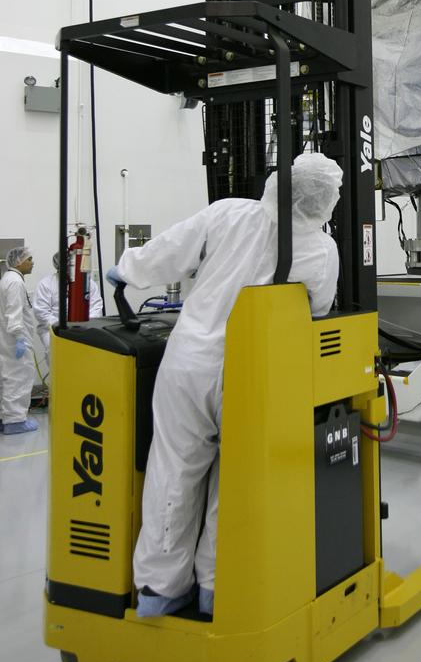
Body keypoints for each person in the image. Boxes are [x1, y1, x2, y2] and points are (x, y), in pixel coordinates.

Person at [107, 152, 343, 618]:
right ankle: (215, 587)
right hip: (252, 371)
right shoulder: (320, 250)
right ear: (325, 201)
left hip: (189, 364)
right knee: (235, 479)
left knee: (173, 470)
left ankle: (158, 588)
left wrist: (127, 271)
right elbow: (317, 309)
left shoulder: (229, 212)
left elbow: (171, 249)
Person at [33, 252, 104, 362]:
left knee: (84, 359)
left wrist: (84, 325)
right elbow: (42, 312)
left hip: (83, 328)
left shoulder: (87, 283)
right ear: (59, 267)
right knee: (57, 358)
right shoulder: (46, 284)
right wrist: (62, 326)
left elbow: (96, 306)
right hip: (53, 329)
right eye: (68, 266)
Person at [0, 246, 39, 435]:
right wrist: (19, 338)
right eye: (29, 259)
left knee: (8, 378)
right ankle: (15, 421)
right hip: (15, 340)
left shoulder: (8, 279)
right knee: (19, 377)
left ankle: (5, 418)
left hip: (7, 340)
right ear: (18, 262)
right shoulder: (15, 282)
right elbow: (14, 312)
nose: (32, 262)